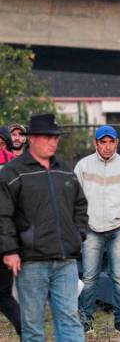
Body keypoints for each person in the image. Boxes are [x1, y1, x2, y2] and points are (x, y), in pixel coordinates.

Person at [0, 113, 88, 342]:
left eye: (55, 137)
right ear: (32, 139)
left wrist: (77, 235)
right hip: (31, 261)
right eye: (47, 137)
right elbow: (3, 214)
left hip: (66, 260)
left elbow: (80, 205)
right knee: (33, 327)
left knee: (70, 320)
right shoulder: (12, 172)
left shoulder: (65, 170)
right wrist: (10, 250)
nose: (53, 142)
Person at [74, 125, 120, 333]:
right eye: (102, 142)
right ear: (95, 143)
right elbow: (73, 197)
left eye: (111, 142)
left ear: (117, 142)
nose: (107, 146)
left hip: (118, 229)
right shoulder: (83, 166)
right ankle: (86, 322)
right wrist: (81, 222)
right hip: (92, 229)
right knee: (89, 278)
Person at [0, 127, 19, 338]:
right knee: (4, 293)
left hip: (7, 233)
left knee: (4, 293)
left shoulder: (13, 164)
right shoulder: (16, 164)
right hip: (9, 234)